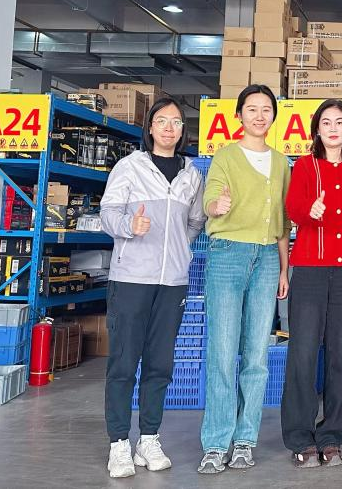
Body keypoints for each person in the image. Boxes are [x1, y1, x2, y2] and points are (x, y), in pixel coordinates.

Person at [101, 98, 206, 479]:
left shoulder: (191, 175)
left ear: (182, 130)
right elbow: (108, 213)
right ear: (150, 127)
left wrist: (179, 249)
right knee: (124, 363)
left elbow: (195, 222)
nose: (168, 128)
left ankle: (149, 437)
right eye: (161, 121)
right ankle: (118, 442)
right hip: (131, 278)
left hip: (172, 282)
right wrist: (131, 227)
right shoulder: (130, 167)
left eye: (176, 122)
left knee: (160, 364)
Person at [198, 85, 291, 475]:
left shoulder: (282, 163)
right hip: (228, 255)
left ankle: (245, 440)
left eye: (266, 109)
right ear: (239, 115)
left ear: (273, 116)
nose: (259, 115)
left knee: (256, 355)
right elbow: (210, 199)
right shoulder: (225, 156)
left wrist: (284, 269)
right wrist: (215, 206)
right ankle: (216, 443)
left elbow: (284, 222)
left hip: (267, 258)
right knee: (222, 353)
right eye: (251, 109)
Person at [282, 99, 342, 469]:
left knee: (340, 356)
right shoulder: (305, 166)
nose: (333, 128)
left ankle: (332, 437)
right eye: (326, 122)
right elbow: (292, 208)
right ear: (317, 130)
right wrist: (310, 210)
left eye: (339, 122)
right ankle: (300, 438)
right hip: (309, 272)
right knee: (303, 355)